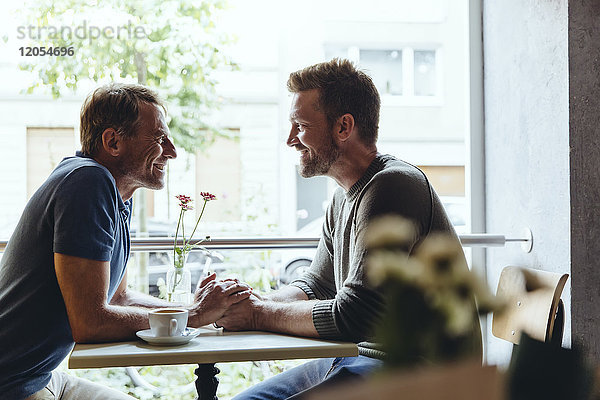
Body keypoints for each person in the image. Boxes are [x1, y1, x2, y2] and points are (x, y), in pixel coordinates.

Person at [216, 59, 482, 399]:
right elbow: (317, 284)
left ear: (344, 127)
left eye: (299, 125)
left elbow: (355, 315)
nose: (290, 140)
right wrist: (252, 301)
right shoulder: (343, 198)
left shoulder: (394, 186)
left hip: (423, 372)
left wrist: (256, 315)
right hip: (357, 358)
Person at [0, 83, 252, 400]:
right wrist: (196, 316)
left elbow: (118, 299)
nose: (172, 151)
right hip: (12, 385)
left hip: (43, 377)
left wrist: (192, 310)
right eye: (160, 139)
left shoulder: (115, 193)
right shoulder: (88, 182)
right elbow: (90, 322)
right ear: (113, 141)